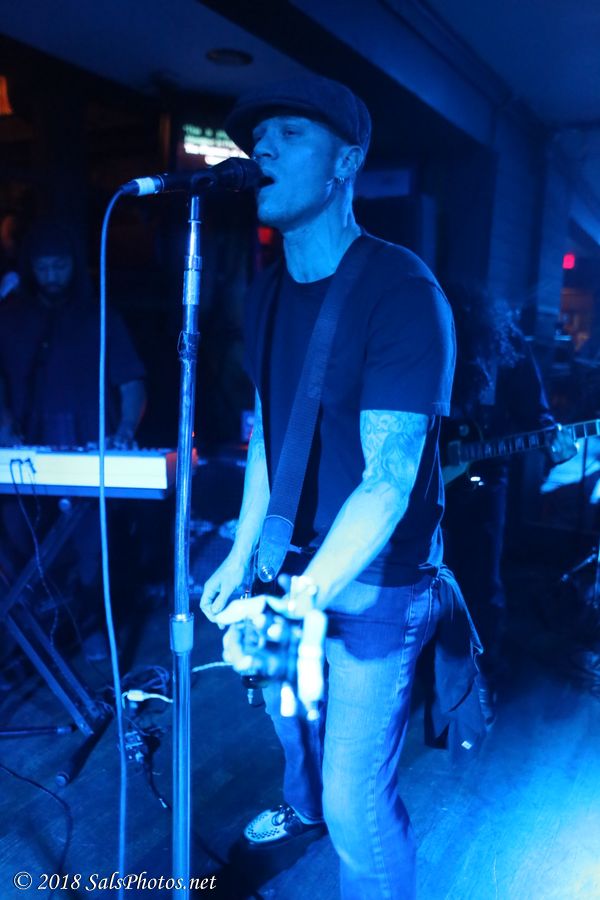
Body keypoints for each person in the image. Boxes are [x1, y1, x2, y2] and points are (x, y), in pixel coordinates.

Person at [200, 75, 456, 899]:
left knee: (356, 803)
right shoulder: (267, 289)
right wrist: (242, 553)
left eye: (289, 133)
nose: (261, 148)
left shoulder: (402, 290)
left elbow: (388, 479)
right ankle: (300, 804)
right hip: (288, 564)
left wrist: (304, 596)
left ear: (346, 162)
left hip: (374, 578)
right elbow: (271, 434)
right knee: (290, 725)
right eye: (257, 137)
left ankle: (337, 823)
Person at [0, 220, 147, 656]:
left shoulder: (99, 315)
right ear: (29, 268)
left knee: (90, 545)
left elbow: (132, 381)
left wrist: (124, 430)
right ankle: (23, 636)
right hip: (25, 444)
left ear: (74, 265)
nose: (51, 276)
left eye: (59, 266)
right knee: (17, 542)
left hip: (88, 438)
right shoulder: (10, 317)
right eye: (43, 267)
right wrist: (5, 426)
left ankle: (90, 626)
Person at [441, 284, 577, 690]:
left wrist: (554, 440)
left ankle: (483, 677)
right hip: (424, 480)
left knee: (481, 580)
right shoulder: (427, 333)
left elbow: (536, 413)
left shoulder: (505, 343)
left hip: (485, 481)